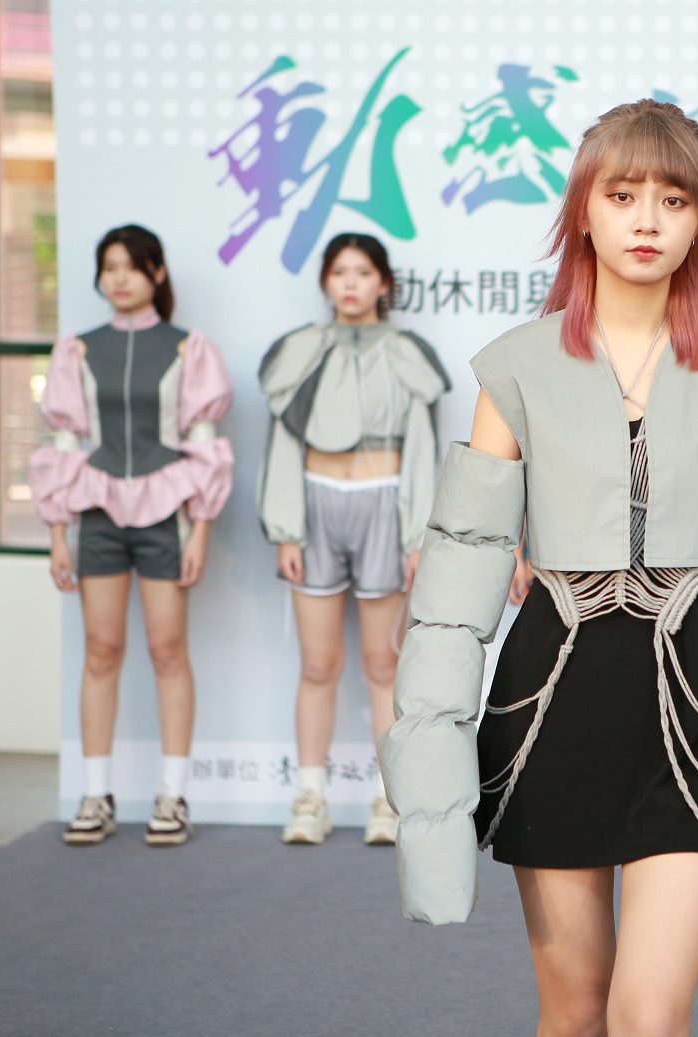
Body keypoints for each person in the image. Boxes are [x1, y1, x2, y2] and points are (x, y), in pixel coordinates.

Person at [380, 99, 698, 1033]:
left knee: (649, 1016)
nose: (646, 220)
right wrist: (428, 815)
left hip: (697, 706)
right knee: (575, 1013)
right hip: (553, 703)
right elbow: (456, 595)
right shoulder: (515, 366)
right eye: (623, 195)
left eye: (673, 199)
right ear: (582, 209)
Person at [31, 224, 233, 847]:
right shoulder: (77, 351)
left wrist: (200, 531)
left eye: (131, 266)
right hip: (95, 517)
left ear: (157, 273)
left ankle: (173, 794)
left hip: (167, 516)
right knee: (101, 650)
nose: (118, 278)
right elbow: (64, 445)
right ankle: (95, 795)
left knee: (168, 650)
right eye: (109, 267)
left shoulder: (187, 349)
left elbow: (205, 446)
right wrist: (57, 534)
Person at [257, 232, 456, 846]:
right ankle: (310, 796)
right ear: (325, 280)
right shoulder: (300, 351)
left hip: (383, 508)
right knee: (317, 664)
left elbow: (422, 452)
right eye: (340, 271)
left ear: (384, 283)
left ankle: (387, 799)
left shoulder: (406, 353)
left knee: (382, 662)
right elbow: (283, 444)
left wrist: (416, 537)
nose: (350, 283)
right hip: (315, 507)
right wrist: (286, 529)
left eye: (363, 272)